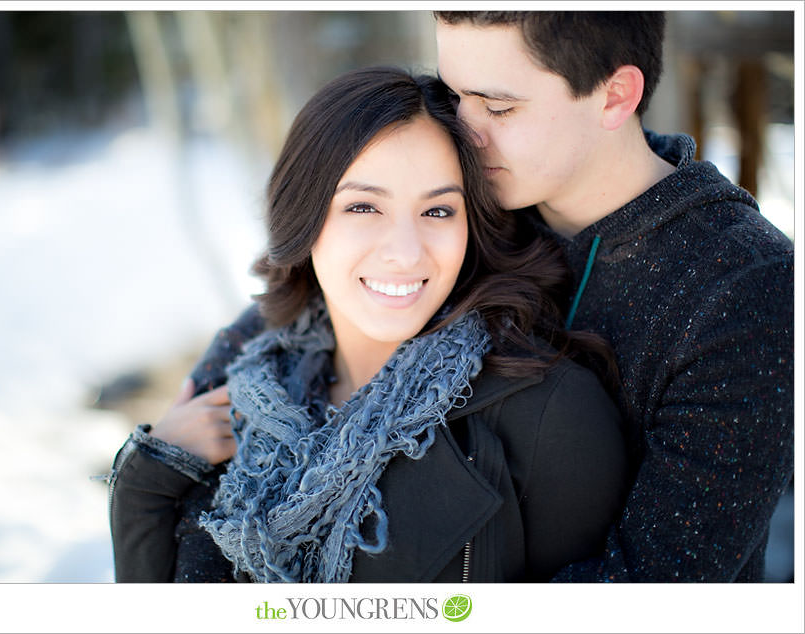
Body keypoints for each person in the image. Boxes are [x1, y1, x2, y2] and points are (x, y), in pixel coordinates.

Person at [179, 11, 795, 582]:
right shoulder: (476, 196)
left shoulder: (745, 287)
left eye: (498, 107)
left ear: (615, 95)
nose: (465, 133)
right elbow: (314, 303)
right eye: (454, 94)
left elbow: (662, 586)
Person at [108, 66, 629, 583]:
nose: (404, 254)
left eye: (439, 211)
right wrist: (146, 481)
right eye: (363, 206)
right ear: (304, 218)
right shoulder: (241, 398)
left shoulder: (549, 414)